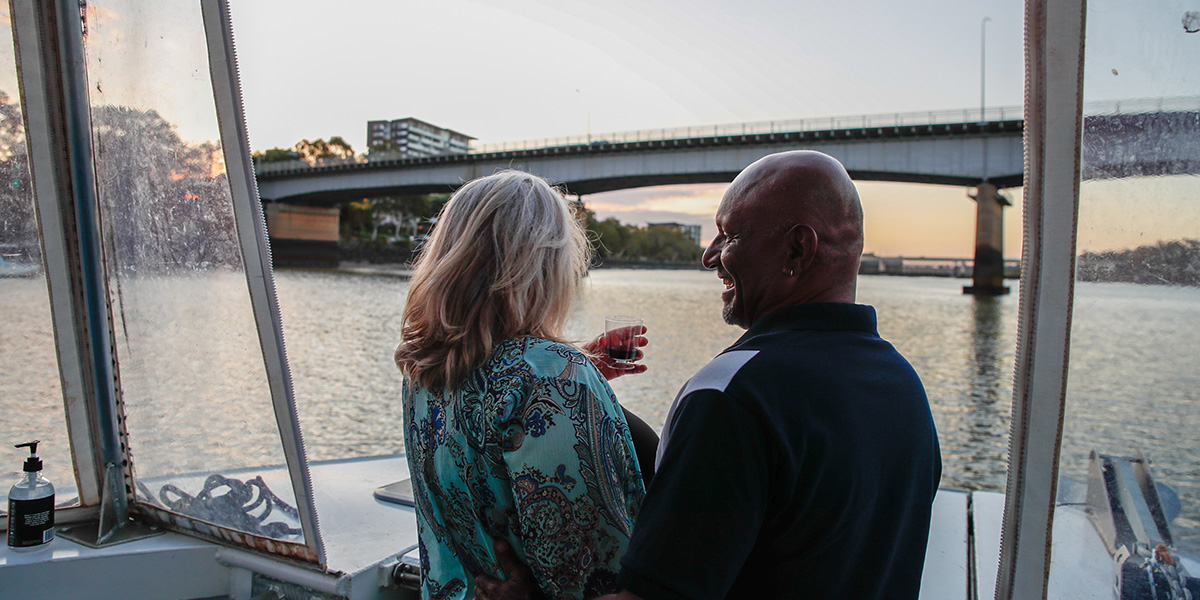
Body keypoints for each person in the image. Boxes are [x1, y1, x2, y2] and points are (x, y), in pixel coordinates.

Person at [476, 150, 942, 600]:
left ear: (798, 249)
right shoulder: (903, 386)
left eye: (729, 235)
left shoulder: (733, 394)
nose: (709, 255)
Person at [395, 170, 651, 600]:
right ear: (543, 264)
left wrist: (573, 375)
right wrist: (566, 380)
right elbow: (597, 576)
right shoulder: (549, 377)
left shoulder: (423, 370)